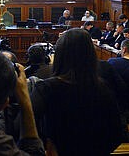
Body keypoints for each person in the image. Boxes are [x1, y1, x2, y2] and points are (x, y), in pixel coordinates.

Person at [31, 28, 122, 156]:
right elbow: (117, 133)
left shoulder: (46, 89)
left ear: (60, 55)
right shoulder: (103, 89)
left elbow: (26, 128)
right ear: (90, 55)